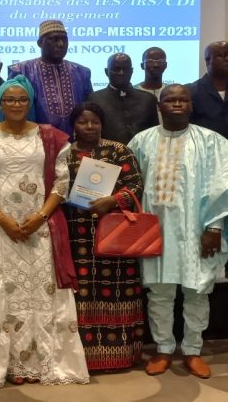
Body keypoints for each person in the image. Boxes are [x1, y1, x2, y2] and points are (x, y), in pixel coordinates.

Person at [127, 84, 228, 379]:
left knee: (197, 291)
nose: (177, 104)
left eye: (183, 100)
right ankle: (163, 349)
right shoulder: (141, 141)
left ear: (191, 106)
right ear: (159, 106)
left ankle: (192, 350)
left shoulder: (210, 141)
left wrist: (214, 226)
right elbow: (129, 184)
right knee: (159, 292)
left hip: (198, 230)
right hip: (154, 230)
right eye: (170, 100)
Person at [0, 76, 89, 390]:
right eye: (9, 99)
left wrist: (40, 217)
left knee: (40, 291)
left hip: (40, 227)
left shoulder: (51, 136)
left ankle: (39, 362)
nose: (16, 104)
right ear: (0, 103)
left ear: (30, 101)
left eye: (22, 99)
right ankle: (5, 365)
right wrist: (4, 220)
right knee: (0, 292)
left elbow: (61, 183)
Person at [62, 102, 146, 371]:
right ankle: (83, 358)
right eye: (82, 122)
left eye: (95, 122)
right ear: (73, 125)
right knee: (81, 292)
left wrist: (112, 201)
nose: (89, 126)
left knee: (119, 292)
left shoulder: (118, 150)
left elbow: (136, 184)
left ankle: (121, 355)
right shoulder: (64, 154)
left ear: (102, 124)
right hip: (76, 236)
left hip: (115, 233)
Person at [8, 20, 93, 135]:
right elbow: (12, 112)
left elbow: (90, 111)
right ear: (40, 43)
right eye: (54, 39)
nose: (61, 44)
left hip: (77, 141)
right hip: (34, 140)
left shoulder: (82, 72)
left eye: (64, 39)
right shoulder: (21, 71)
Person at [86, 53, 159, 145]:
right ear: (106, 72)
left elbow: (154, 134)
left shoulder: (148, 99)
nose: (121, 73)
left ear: (131, 71)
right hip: (106, 152)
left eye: (125, 69)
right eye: (116, 69)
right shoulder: (94, 99)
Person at [135, 47, 167, 123]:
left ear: (165, 65)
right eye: (150, 61)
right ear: (142, 65)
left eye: (160, 61)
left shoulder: (171, 92)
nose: (156, 65)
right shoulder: (133, 91)